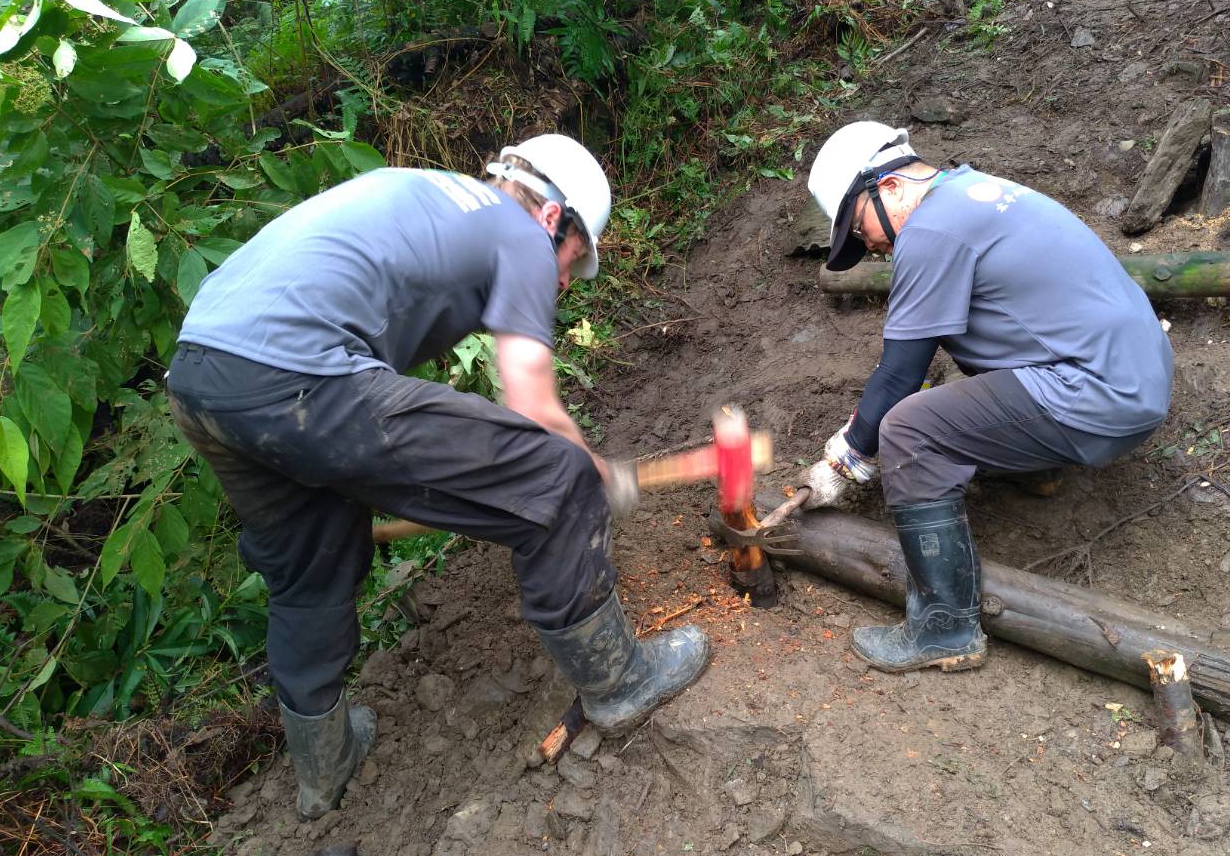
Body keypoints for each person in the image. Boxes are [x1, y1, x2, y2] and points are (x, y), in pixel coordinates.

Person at [167, 135, 710, 820]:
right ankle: (620, 682)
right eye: (572, 259)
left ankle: (323, 766)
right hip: (296, 372)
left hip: (201, 374)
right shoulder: (516, 230)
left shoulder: (437, 199)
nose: (564, 282)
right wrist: (598, 474)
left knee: (312, 554)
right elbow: (534, 407)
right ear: (553, 218)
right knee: (557, 479)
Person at [802, 122, 1174, 674]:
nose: (872, 247)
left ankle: (944, 627)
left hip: (1099, 393)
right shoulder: (975, 194)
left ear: (890, 186)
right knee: (960, 378)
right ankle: (1038, 468)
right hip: (1134, 375)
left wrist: (844, 458)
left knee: (907, 429)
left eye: (861, 229)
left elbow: (900, 372)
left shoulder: (930, 232)